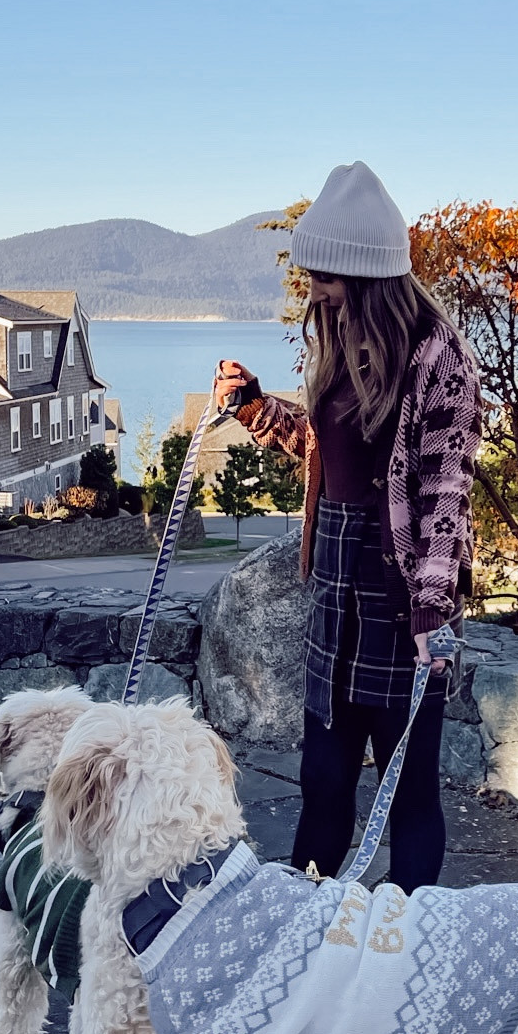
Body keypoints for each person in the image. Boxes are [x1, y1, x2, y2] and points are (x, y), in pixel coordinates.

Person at [212, 162, 481, 893]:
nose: (311, 290)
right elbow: (330, 453)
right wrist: (254, 408)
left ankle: (405, 935)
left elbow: (444, 493)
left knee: (408, 792)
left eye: (322, 276)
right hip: (334, 587)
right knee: (323, 777)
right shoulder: (337, 341)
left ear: (361, 273)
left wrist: (432, 612)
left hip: (400, 598)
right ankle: (305, 928)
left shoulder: (440, 359)